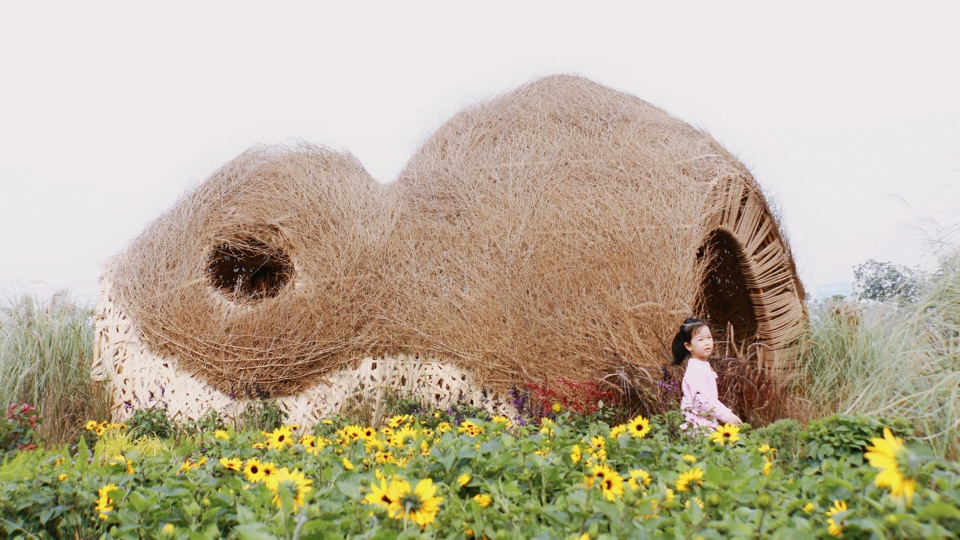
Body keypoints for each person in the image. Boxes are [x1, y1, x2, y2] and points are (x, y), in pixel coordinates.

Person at [671, 317, 742, 431]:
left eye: (709, 337)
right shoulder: (696, 370)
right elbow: (703, 401)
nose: (707, 343)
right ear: (688, 346)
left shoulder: (702, 365)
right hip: (698, 427)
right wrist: (727, 416)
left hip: (705, 423)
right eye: (700, 340)